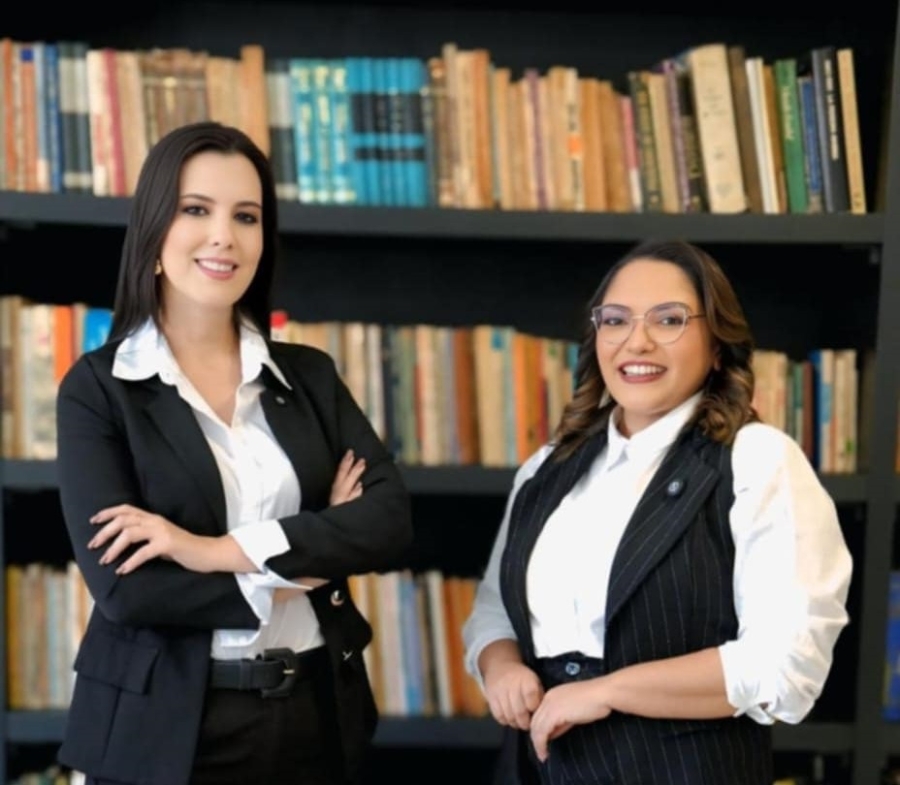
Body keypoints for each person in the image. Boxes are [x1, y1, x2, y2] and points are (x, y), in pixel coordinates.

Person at [55, 121, 412, 785]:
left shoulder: (308, 376)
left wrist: (208, 550)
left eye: (246, 216)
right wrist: (303, 564)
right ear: (155, 230)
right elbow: (128, 589)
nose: (224, 235)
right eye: (197, 210)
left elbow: (388, 520)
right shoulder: (100, 389)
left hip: (314, 714)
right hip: (164, 732)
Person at [462, 239, 853, 785]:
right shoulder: (547, 467)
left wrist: (607, 691)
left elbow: (785, 663)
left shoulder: (758, 461)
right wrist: (500, 663)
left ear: (717, 346)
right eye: (615, 320)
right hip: (538, 767)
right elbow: (495, 609)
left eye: (669, 319)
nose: (636, 340)